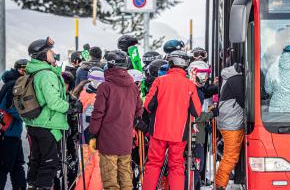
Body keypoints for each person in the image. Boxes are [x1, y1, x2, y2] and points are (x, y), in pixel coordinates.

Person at [24, 37, 82, 190]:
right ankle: (41, 187)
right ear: (43, 54)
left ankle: (32, 185)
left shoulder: (33, 71)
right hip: (47, 124)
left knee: (37, 159)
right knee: (50, 162)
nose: (53, 53)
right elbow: (53, 102)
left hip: (35, 123)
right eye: (50, 51)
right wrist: (70, 107)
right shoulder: (46, 74)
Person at [142, 50, 201, 190]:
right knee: (176, 166)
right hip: (179, 134)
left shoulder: (159, 81)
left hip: (158, 131)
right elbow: (196, 111)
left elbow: (148, 105)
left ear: (170, 63)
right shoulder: (189, 85)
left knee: (154, 164)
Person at [88, 50, 143, 190]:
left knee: (110, 179)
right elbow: (139, 110)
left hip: (108, 140)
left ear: (111, 65)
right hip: (125, 139)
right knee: (125, 176)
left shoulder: (105, 87)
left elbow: (98, 112)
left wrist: (93, 132)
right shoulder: (133, 87)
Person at [214, 63, 245, 190]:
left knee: (229, 156)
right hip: (232, 124)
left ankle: (220, 183)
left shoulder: (231, 78)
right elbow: (243, 100)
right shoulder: (237, 80)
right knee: (230, 157)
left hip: (230, 122)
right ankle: (220, 185)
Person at [186, 61, 215, 190]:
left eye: (206, 75)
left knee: (197, 163)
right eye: (203, 75)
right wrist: (210, 114)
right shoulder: (193, 90)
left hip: (198, 130)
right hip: (194, 131)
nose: (206, 78)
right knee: (197, 163)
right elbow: (193, 115)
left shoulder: (197, 89)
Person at [0, 59, 28, 190]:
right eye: (22, 69)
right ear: (17, 69)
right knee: (4, 166)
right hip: (8, 132)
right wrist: (26, 116)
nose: (25, 72)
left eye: (27, 69)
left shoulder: (15, 83)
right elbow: (8, 107)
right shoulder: (13, 85)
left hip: (12, 132)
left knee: (17, 165)